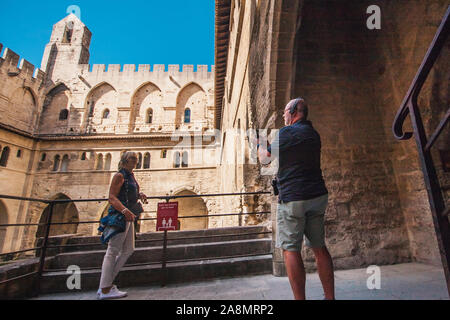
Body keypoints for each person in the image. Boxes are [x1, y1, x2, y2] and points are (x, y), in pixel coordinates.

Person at [257, 98, 335, 300]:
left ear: (293, 111)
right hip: (317, 196)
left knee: (290, 249)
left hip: (293, 199)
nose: (283, 115)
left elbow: (265, 159)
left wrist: (259, 142)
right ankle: (330, 297)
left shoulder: (287, 132)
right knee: (319, 247)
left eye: (285, 112)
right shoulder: (313, 134)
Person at [97, 151, 147, 300]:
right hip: (121, 216)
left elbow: (127, 193)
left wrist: (139, 195)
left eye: (136, 160)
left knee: (129, 249)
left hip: (129, 215)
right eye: (133, 159)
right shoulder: (119, 175)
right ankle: (105, 289)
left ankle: (106, 285)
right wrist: (125, 211)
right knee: (112, 251)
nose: (136, 162)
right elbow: (112, 197)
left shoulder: (130, 175)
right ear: (125, 161)